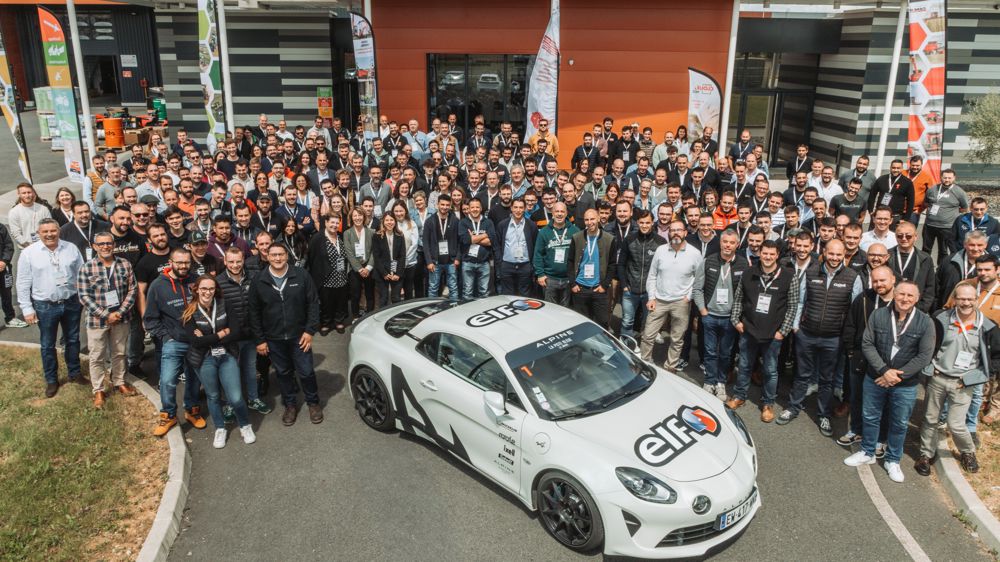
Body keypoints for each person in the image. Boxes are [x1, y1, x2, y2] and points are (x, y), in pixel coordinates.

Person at [845, 281, 935, 484]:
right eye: (901, 294)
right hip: (875, 377)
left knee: (899, 423)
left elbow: (924, 356)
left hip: (905, 385)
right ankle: (867, 452)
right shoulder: (878, 315)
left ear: (917, 298)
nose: (905, 299)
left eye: (910, 296)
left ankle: (893, 459)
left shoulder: (925, 322)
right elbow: (867, 344)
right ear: (894, 294)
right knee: (870, 416)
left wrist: (897, 376)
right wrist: (885, 371)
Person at [915, 283, 1000, 476]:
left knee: (956, 424)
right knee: (930, 419)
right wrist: (929, 369)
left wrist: (973, 378)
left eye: (970, 299)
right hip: (938, 378)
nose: (966, 303)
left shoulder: (988, 327)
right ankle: (926, 455)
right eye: (961, 298)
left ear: (976, 300)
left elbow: (996, 358)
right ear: (954, 299)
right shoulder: (940, 318)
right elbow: (927, 344)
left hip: (964, 382)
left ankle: (968, 452)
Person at [780, 240, 861, 433]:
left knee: (827, 379)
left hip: (833, 339)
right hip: (806, 334)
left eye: (838, 255)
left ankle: (823, 415)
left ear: (844, 255)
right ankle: (793, 407)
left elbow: (854, 310)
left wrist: (845, 336)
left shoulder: (853, 277)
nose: (834, 258)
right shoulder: (810, 272)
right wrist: (796, 326)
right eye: (831, 254)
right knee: (802, 375)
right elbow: (800, 301)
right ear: (824, 252)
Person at [248, 243, 324, 426]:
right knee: (283, 373)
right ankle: (290, 405)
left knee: (306, 372)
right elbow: (254, 312)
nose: (277, 258)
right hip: (273, 338)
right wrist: (260, 340)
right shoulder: (259, 280)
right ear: (267, 257)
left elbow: (313, 303)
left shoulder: (301, 275)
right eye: (273, 255)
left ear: (287, 256)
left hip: (299, 336)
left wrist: (309, 330)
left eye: (281, 254)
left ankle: (313, 403)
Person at [726, 240, 799, 421]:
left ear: (777, 255)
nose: (767, 257)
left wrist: (783, 330)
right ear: (760, 253)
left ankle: (768, 403)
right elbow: (738, 299)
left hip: (773, 334)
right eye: (764, 253)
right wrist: (736, 320)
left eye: (771, 254)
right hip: (748, 330)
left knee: (770, 370)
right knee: (744, 366)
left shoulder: (789, 276)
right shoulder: (749, 273)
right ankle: (739, 396)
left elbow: (792, 305)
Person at [182, 274, 256, 448]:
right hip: (204, 359)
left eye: (211, 288)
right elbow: (196, 342)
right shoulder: (189, 311)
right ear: (197, 290)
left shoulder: (225, 304)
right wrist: (222, 333)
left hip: (226, 355)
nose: (207, 292)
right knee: (213, 396)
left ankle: (245, 425)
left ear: (216, 290)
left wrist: (208, 337)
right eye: (204, 288)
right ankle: (220, 428)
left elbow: (236, 332)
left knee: (236, 397)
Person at [16, 219, 85, 397]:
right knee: (47, 345)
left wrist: (83, 297)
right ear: (39, 233)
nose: (49, 235)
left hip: (71, 302)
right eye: (45, 231)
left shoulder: (71, 248)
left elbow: (81, 273)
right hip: (45, 305)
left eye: (53, 231)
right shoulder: (29, 253)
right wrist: (27, 309)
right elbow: (23, 282)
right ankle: (52, 380)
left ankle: (74, 373)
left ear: (58, 231)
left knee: (73, 339)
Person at [144, 247, 207, 436]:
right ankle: (168, 415)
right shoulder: (158, 285)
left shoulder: (196, 280)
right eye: (179, 262)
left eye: (187, 262)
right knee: (168, 380)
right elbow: (150, 318)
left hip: (196, 340)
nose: (183, 266)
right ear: (170, 262)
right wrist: (166, 337)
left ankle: (192, 410)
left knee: (194, 378)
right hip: (173, 341)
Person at [77, 231, 139, 408]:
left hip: (122, 317)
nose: (105, 247)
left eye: (109, 243)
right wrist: (106, 314)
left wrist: (119, 312)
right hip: (97, 320)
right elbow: (84, 296)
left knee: (120, 352)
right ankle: (98, 389)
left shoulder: (124, 264)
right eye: (101, 244)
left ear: (114, 245)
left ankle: (119, 382)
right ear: (95, 247)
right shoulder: (87, 267)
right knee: (97, 356)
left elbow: (132, 290)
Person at [838, 265, 895, 451]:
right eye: (875, 281)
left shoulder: (900, 301)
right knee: (857, 397)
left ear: (893, 280)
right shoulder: (863, 298)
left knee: (883, 403)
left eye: (882, 280)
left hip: (886, 363)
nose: (878, 284)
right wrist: (851, 351)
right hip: (860, 358)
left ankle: (881, 439)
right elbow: (850, 325)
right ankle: (855, 429)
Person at [216, 246, 272, 416]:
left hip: (250, 334)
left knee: (249, 368)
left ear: (243, 261)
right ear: (225, 261)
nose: (235, 265)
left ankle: (253, 399)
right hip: (230, 337)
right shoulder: (218, 282)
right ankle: (230, 404)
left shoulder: (253, 278)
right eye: (231, 262)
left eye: (238, 261)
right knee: (229, 372)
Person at [694, 229, 748, 398]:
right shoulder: (708, 261)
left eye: (732, 243)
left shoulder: (743, 264)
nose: (728, 245)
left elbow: (746, 293)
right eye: (725, 242)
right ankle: (709, 381)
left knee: (726, 353)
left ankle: (721, 382)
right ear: (720, 242)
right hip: (710, 315)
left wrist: (738, 316)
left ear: (737, 244)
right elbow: (697, 288)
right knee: (709, 352)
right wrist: (703, 311)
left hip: (730, 318)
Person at [641, 220, 701, 369]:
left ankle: (670, 367)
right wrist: (651, 297)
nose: (675, 233)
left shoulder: (694, 253)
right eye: (672, 230)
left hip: (681, 302)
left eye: (679, 230)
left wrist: (689, 297)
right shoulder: (661, 250)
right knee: (648, 335)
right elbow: (652, 275)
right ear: (668, 233)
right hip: (659, 300)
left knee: (677, 339)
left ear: (685, 233)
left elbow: (699, 279)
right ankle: (645, 363)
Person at [617, 210, 664, 338]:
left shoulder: (661, 242)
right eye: (642, 222)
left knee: (649, 322)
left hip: (650, 292)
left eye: (647, 222)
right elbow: (621, 264)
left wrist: (657, 290)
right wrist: (624, 286)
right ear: (637, 222)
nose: (644, 225)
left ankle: (645, 350)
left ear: (652, 223)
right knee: (627, 321)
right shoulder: (629, 239)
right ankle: (625, 342)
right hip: (631, 290)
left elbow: (663, 269)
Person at [567, 209, 616, 325]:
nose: (590, 222)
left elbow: (612, 264)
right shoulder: (577, 237)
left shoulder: (609, 239)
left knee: (602, 323)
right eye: (587, 220)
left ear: (598, 218)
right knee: (582, 323)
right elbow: (570, 261)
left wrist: (604, 285)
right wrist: (573, 284)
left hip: (599, 289)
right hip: (580, 288)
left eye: (592, 219)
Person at [306, 215, 350, 334]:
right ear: (326, 222)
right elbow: (310, 257)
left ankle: (339, 321)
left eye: (337, 223)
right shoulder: (318, 238)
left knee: (340, 300)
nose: (334, 225)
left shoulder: (340, 236)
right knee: (326, 302)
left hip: (341, 276)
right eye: (332, 222)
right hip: (325, 277)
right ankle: (325, 323)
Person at [533, 201, 578, 306]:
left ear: (566, 213)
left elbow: (579, 254)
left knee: (565, 309)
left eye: (562, 211)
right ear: (552, 213)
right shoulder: (544, 232)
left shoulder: (575, 231)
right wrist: (540, 274)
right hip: (550, 279)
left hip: (568, 279)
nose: (559, 214)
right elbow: (538, 254)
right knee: (550, 309)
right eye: (556, 211)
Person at [922, 169, 968, 263]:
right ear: (941, 178)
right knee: (926, 249)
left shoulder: (959, 192)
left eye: (949, 178)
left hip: (947, 227)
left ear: (954, 178)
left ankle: (941, 269)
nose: (947, 180)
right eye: (945, 177)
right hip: (929, 225)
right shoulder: (932, 190)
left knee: (943, 251)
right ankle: (925, 267)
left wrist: (949, 212)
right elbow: (926, 203)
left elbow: (964, 208)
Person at [888, 221, 935, 312]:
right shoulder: (887, 256)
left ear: (915, 237)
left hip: (916, 309)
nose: (904, 239)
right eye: (900, 236)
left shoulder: (925, 259)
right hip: (891, 308)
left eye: (908, 236)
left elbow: (930, 287)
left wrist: (922, 309)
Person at [495, 198, 537, 297]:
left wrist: (532, 266)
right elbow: (497, 244)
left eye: (521, 207)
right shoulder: (503, 225)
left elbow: (535, 245)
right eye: (516, 207)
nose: (518, 210)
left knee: (525, 295)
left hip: (525, 265)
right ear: (511, 208)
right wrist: (500, 262)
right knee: (507, 295)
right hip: (507, 265)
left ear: (525, 209)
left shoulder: (531, 225)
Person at [423, 194, 461, 302]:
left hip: (451, 261)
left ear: (450, 206)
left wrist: (457, 258)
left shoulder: (455, 220)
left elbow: (460, 242)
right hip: (435, 262)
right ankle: (432, 310)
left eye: (447, 205)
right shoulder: (430, 221)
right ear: (437, 205)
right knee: (433, 288)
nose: (444, 207)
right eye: (442, 204)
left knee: (453, 288)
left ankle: (454, 309)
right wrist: (429, 261)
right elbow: (425, 242)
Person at [373, 213, 405, 307]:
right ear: (383, 221)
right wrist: (385, 273)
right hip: (382, 273)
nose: (389, 222)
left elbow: (402, 256)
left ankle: (396, 320)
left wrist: (398, 274)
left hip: (396, 273)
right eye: (387, 220)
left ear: (395, 221)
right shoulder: (377, 236)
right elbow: (376, 257)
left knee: (396, 299)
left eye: (391, 220)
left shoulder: (400, 235)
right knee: (383, 298)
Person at [8, 183, 52, 248]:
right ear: (19, 194)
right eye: (24, 193)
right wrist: (29, 246)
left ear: (33, 193)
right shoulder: (14, 212)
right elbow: (16, 233)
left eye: (29, 192)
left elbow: (50, 227)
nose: (27, 195)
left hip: (45, 246)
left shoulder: (43, 209)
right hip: (26, 249)